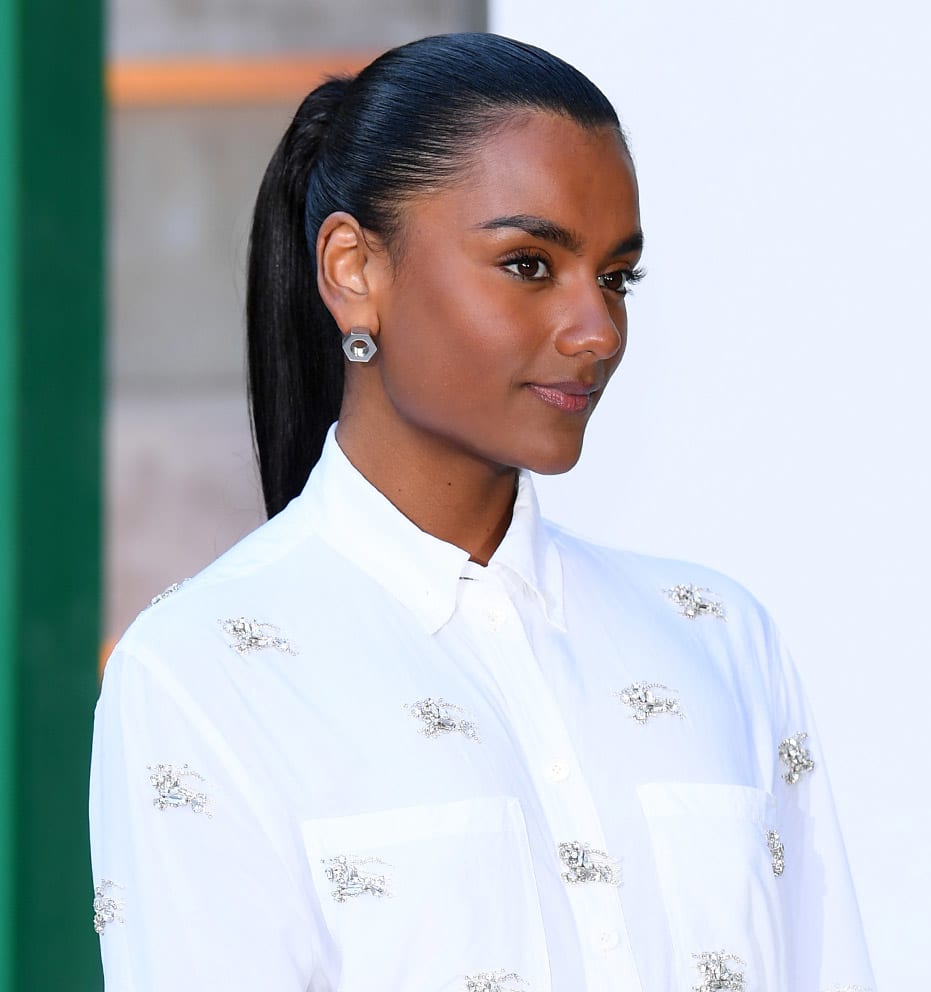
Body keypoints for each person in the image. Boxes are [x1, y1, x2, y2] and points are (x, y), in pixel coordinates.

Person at [89, 32, 875, 992]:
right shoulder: (205, 672)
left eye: (616, 277)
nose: (596, 331)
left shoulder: (718, 639)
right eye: (530, 264)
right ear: (353, 270)